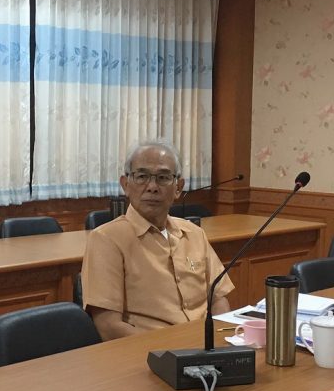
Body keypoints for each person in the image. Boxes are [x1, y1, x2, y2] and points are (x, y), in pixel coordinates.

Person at [81, 140, 233, 340]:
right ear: (125, 185)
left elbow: (218, 299)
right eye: (142, 176)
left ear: (178, 187)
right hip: (150, 352)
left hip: (206, 346)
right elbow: (108, 326)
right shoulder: (106, 240)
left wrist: (220, 339)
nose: (152, 187)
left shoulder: (195, 233)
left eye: (163, 178)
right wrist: (172, 348)